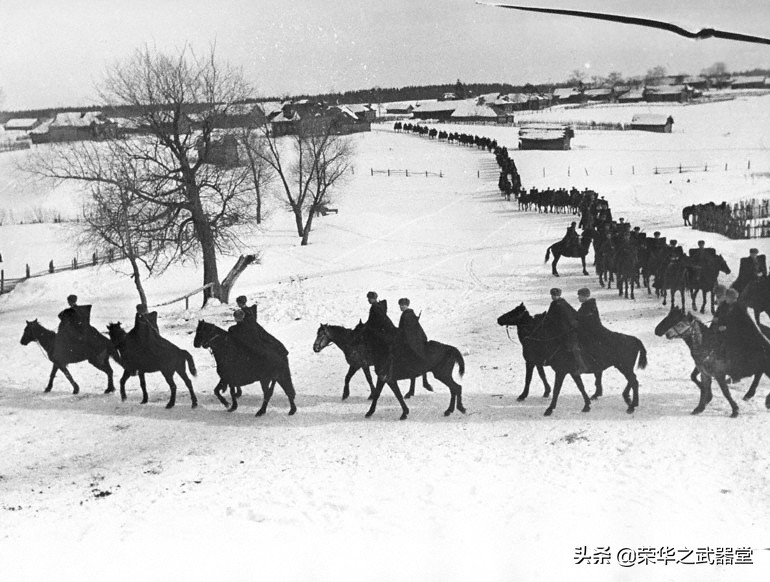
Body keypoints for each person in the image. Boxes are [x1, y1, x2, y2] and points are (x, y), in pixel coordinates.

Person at [547, 288, 588, 373]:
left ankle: (580, 365)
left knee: (572, 346)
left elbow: (570, 316)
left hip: (568, 330)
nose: (553, 297)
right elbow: (549, 316)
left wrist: (572, 326)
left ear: (559, 295)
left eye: (555, 295)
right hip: (558, 329)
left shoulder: (562, 304)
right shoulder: (553, 304)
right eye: (552, 295)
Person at [394, 298, 429, 369]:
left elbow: (405, 329)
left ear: (406, 305)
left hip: (411, 339)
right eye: (400, 305)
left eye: (402, 305)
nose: (400, 307)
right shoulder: (409, 313)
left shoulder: (406, 315)